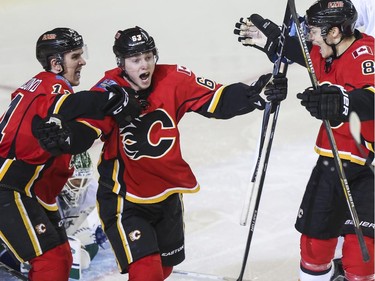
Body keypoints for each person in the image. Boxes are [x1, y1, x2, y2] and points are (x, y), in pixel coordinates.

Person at [74, 26, 287, 281]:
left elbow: (216, 99)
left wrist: (251, 94)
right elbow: (84, 133)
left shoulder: (173, 78)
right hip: (125, 197)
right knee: (147, 271)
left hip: (167, 193)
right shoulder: (108, 91)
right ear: (121, 63)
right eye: (135, 60)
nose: (145, 65)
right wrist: (66, 136)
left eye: (148, 56)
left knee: (163, 269)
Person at [233, 1, 374, 281]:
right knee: (313, 246)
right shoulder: (326, 50)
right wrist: (273, 42)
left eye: (313, 30)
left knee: (362, 255)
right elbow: (302, 53)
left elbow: (371, 97)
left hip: (368, 169)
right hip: (331, 162)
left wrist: (342, 102)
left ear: (334, 32)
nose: (308, 35)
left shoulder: (366, 54)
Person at [0, 27, 138, 281]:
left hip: (24, 189)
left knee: (62, 256)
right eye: (75, 56)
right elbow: (71, 105)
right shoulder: (53, 86)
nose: (82, 61)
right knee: (50, 260)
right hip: (8, 187)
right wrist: (109, 98)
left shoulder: (37, 85)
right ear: (56, 63)